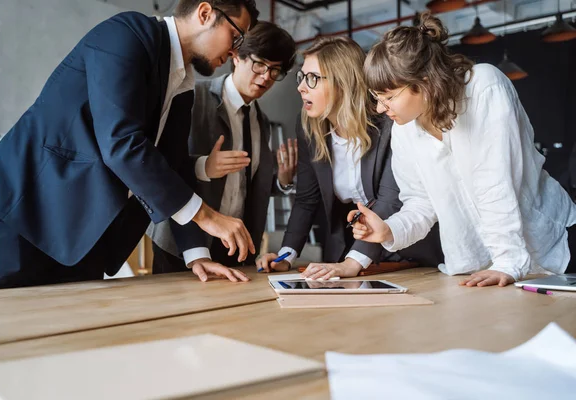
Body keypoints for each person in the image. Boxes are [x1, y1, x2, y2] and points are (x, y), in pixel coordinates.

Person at [0, 0, 261, 290]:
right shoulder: (127, 35)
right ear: (205, 13)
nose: (236, 51)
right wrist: (208, 216)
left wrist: (196, 254)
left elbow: (171, 167)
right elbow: (121, 144)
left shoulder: (183, 85)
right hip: (22, 216)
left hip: (82, 237)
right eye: (236, 36)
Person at [352, 12, 576, 287]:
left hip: (551, 246)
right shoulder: (403, 130)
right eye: (376, 98)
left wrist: (507, 262)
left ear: (423, 83)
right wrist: (389, 230)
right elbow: (421, 202)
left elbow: (494, 182)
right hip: (480, 267)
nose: (379, 108)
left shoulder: (483, 86)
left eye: (388, 97)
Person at [255, 37, 443, 280]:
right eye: (301, 77)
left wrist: (353, 263)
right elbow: (306, 199)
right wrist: (286, 255)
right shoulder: (309, 129)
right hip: (351, 252)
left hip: (408, 252)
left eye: (313, 79)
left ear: (343, 83)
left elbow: (390, 200)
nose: (301, 87)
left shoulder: (390, 122)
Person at [148, 21, 297, 282]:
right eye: (260, 64)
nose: (265, 77)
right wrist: (203, 166)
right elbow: (163, 164)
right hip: (184, 242)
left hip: (234, 245)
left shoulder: (260, 121)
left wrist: (283, 180)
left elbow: (246, 185)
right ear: (236, 56)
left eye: (275, 71)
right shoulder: (193, 97)